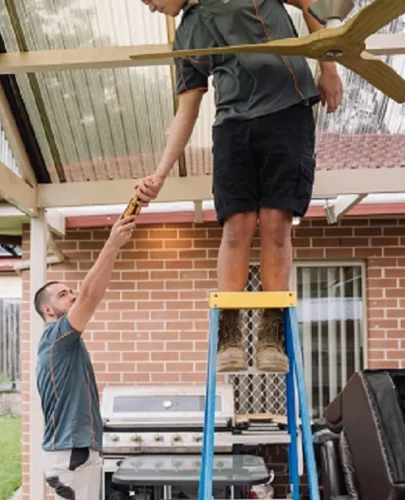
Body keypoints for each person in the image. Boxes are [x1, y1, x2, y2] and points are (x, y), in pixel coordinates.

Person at [136, 0, 343, 373]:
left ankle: (271, 332)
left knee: (277, 223)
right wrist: (160, 172)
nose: (150, 8)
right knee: (238, 225)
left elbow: (314, 4)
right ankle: (229, 333)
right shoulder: (187, 33)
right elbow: (187, 109)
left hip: (288, 112)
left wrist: (328, 67)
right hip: (233, 126)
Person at [33, 216, 136, 500]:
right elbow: (91, 296)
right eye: (64, 295)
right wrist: (113, 243)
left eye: (71, 292)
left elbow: (88, 296)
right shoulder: (56, 336)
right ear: (48, 309)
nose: (73, 297)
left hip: (76, 455)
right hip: (70, 457)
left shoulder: (68, 342)